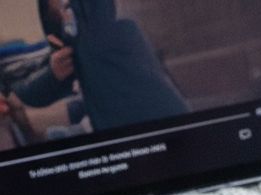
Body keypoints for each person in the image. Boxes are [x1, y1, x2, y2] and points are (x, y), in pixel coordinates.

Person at [34, 0, 189, 132]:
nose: (65, 19)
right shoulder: (81, 48)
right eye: (57, 15)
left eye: (67, 8)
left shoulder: (104, 39)